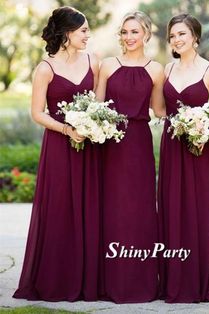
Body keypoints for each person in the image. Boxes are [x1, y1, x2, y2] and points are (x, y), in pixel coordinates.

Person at [13, 6, 100, 301]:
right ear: (67, 33)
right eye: (84, 30)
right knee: (59, 208)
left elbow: (101, 104)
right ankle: (56, 279)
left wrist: (95, 125)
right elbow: (38, 113)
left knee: (89, 208)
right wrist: (67, 130)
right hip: (59, 149)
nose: (88, 35)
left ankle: (87, 279)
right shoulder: (45, 68)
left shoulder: (94, 62)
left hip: (89, 146)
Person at [157, 13, 209, 303]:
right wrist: (181, 121)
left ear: (195, 37)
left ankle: (196, 283)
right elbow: (160, 110)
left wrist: (202, 129)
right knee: (171, 209)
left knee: (196, 211)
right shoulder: (166, 69)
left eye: (182, 34)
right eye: (173, 35)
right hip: (173, 146)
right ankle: (171, 283)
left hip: (199, 149)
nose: (176, 39)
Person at [96, 11, 165, 303]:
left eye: (135, 31)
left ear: (146, 34)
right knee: (112, 208)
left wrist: (196, 120)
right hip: (109, 144)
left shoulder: (156, 69)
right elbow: (95, 105)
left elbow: (160, 110)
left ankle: (140, 282)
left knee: (139, 210)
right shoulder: (107, 66)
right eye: (124, 32)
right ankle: (109, 281)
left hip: (138, 144)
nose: (129, 37)